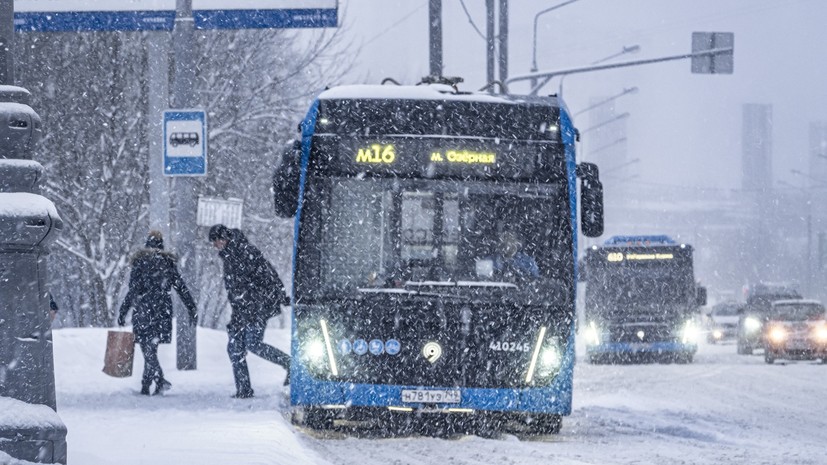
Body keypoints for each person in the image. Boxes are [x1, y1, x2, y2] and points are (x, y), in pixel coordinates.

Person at [209, 224, 291, 398]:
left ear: (223, 239)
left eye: (215, 241)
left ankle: (289, 363)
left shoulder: (245, 251)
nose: (214, 245)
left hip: (256, 307)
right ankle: (244, 389)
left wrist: (280, 295)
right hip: (241, 309)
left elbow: (268, 273)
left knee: (252, 343)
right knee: (235, 348)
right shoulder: (230, 255)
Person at [117, 231, 198, 396]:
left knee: (148, 349)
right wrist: (191, 308)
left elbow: (133, 290)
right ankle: (150, 384)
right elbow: (180, 287)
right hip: (162, 311)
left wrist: (123, 311)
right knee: (151, 348)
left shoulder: (140, 262)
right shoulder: (167, 263)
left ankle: (153, 382)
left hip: (144, 311)